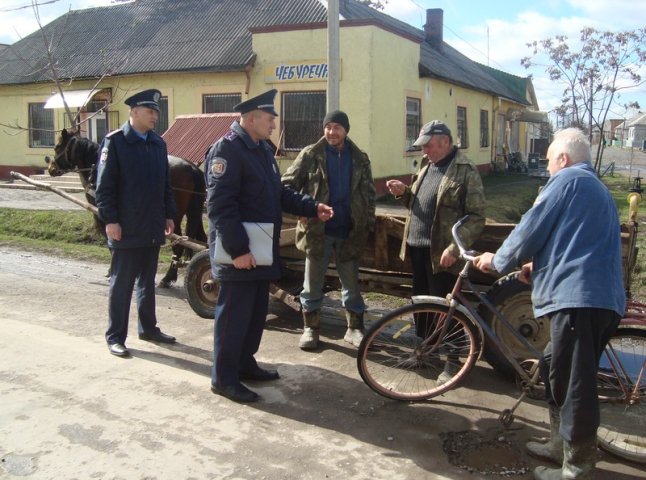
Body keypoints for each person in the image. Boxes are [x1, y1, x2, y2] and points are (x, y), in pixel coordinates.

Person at [473, 128, 624, 479]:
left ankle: (578, 467)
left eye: (549, 162)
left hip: (580, 301)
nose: (548, 169)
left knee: (574, 383)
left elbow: (532, 225)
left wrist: (498, 261)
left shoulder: (568, 180)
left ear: (564, 159)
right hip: (596, 299)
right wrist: (536, 266)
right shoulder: (593, 187)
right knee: (553, 365)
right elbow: (574, 241)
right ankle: (559, 444)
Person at [205, 89, 334, 403]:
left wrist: (311, 207)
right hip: (240, 253)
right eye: (269, 118)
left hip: (260, 249)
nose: (274, 124)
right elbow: (220, 206)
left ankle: (245, 363)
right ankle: (223, 378)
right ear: (251, 119)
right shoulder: (228, 150)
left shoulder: (261, 149)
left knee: (253, 313)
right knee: (234, 316)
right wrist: (238, 252)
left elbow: (279, 194)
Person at [385, 120, 485, 381]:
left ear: (445, 142)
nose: (424, 151)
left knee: (445, 308)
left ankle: (453, 361)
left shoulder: (465, 170)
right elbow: (420, 205)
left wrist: (455, 247)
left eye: (428, 145)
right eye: (422, 147)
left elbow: (476, 217)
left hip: (442, 255)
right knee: (422, 304)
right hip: (417, 250)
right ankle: (426, 351)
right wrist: (403, 193)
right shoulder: (427, 167)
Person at [281, 110, 376, 350]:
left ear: (346, 130)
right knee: (312, 284)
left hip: (349, 231)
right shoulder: (311, 155)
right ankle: (310, 329)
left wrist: (369, 225)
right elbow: (286, 186)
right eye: (328, 127)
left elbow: (369, 195)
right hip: (317, 232)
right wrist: (301, 209)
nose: (332, 132)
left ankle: (354, 329)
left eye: (337, 127)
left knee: (351, 286)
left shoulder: (360, 158)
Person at [96, 89, 177, 358]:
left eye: (156, 111)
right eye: (150, 111)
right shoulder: (116, 143)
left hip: (152, 225)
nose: (155, 116)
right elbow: (104, 188)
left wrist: (169, 214)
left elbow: (165, 185)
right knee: (122, 284)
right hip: (126, 227)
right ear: (134, 112)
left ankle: (149, 328)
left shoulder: (158, 143)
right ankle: (115, 336)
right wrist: (111, 220)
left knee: (147, 281)